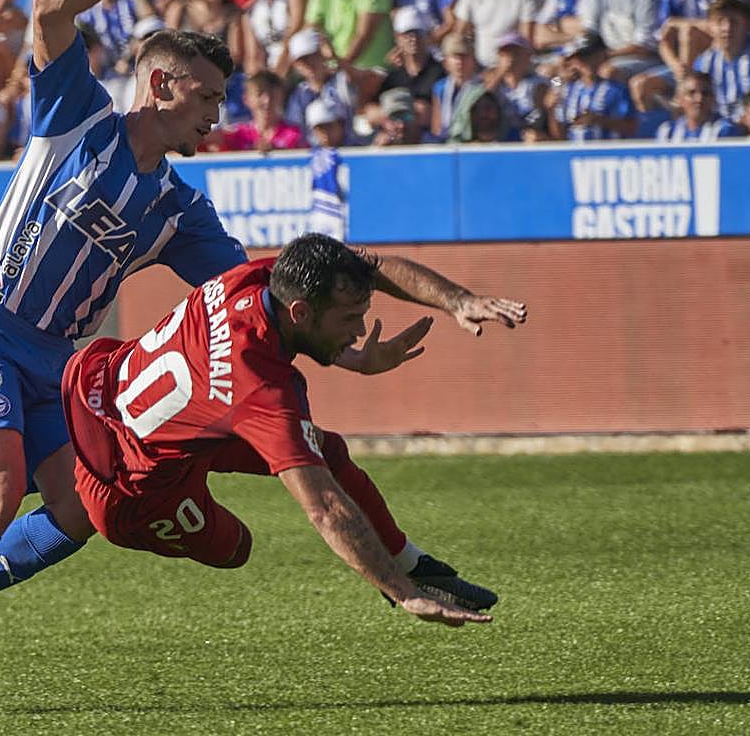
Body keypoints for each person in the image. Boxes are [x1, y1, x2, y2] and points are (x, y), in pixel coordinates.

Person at [0, 0, 528, 718]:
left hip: (56, 359)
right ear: (159, 84)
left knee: (77, 513)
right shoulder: (76, 117)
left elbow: (282, 294)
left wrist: (354, 353)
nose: (218, 115)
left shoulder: (180, 209)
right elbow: (48, 9)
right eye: (207, 97)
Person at [62, 235, 506, 644]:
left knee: (326, 450)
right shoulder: (262, 389)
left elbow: (373, 267)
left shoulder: (259, 278)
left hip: (102, 385)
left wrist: (457, 300)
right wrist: (401, 593)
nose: (358, 330)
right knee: (236, 546)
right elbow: (325, 508)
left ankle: (415, 564)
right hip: (135, 490)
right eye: (350, 319)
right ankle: (409, 577)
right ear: (300, 313)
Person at [546, 30, 638, 141]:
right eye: (583, 58)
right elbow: (559, 135)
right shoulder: (567, 90)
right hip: (574, 153)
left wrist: (598, 120)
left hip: (607, 153)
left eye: (593, 56)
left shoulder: (616, 89)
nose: (588, 62)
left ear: (602, 56)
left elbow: (631, 127)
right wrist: (551, 109)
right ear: (575, 61)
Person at [209, 68, 307, 152]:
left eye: (272, 94)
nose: (267, 101)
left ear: (282, 97)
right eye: (259, 94)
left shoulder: (295, 134)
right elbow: (210, 139)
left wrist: (278, 152)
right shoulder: (239, 133)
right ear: (246, 99)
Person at [654, 69, 739, 140]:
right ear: (680, 99)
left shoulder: (724, 129)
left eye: (705, 93)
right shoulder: (668, 131)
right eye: (691, 93)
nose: (699, 99)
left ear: (714, 99)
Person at [305, 99, 348, 238]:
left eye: (329, 126)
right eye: (320, 128)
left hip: (340, 216)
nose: (325, 132)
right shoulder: (311, 154)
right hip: (321, 216)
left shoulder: (355, 148)